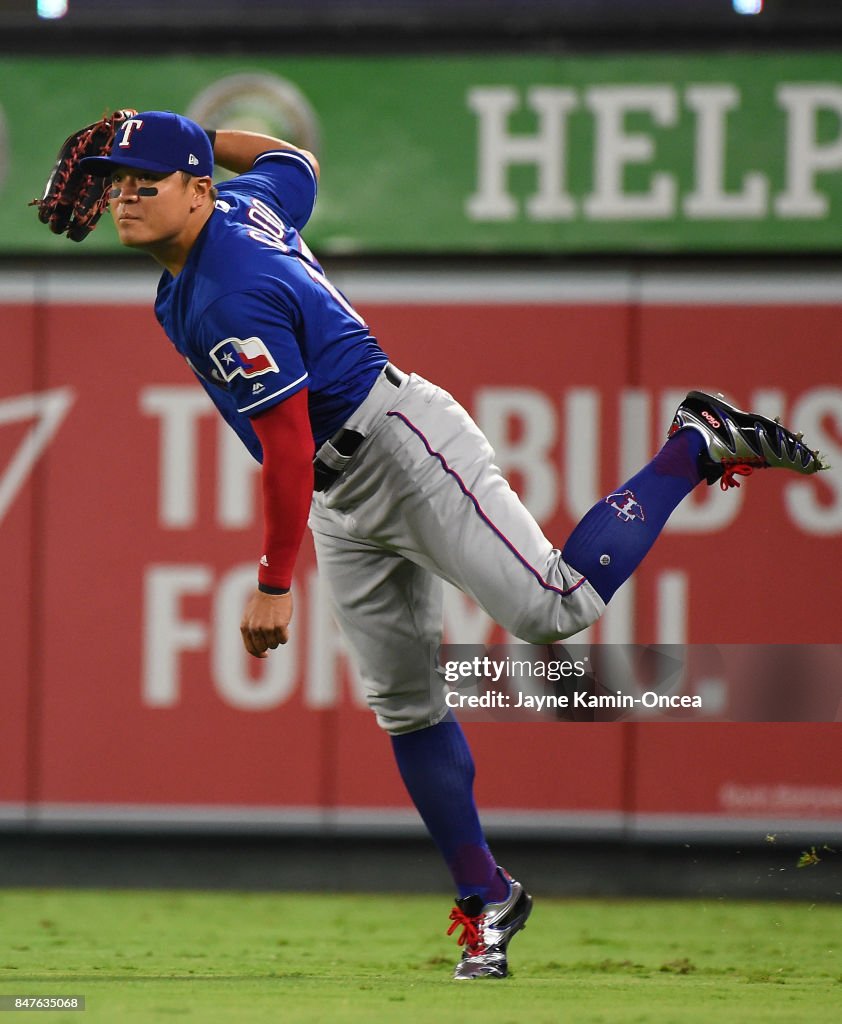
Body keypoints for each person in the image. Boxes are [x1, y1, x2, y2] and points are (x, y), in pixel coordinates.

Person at [80, 110, 826, 980]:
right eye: (115, 179)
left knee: (555, 606)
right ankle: (488, 898)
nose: (122, 195)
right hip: (342, 490)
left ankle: (693, 443)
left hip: (400, 446)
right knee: (404, 705)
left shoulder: (224, 287)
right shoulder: (242, 206)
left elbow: (283, 449)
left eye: (146, 180)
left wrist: (273, 581)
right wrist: (199, 138)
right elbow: (295, 159)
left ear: (198, 190)